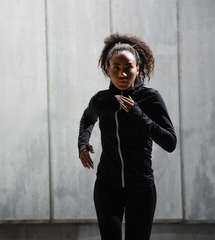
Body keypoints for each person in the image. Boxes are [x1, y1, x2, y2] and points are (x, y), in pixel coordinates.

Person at [78, 33, 177, 240]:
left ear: (137, 69)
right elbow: (87, 119)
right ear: (108, 69)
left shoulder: (150, 98)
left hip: (140, 187)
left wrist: (138, 114)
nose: (122, 74)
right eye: (116, 68)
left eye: (128, 68)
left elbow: (170, 142)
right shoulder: (101, 100)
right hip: (107, 186)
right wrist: (83, 144)